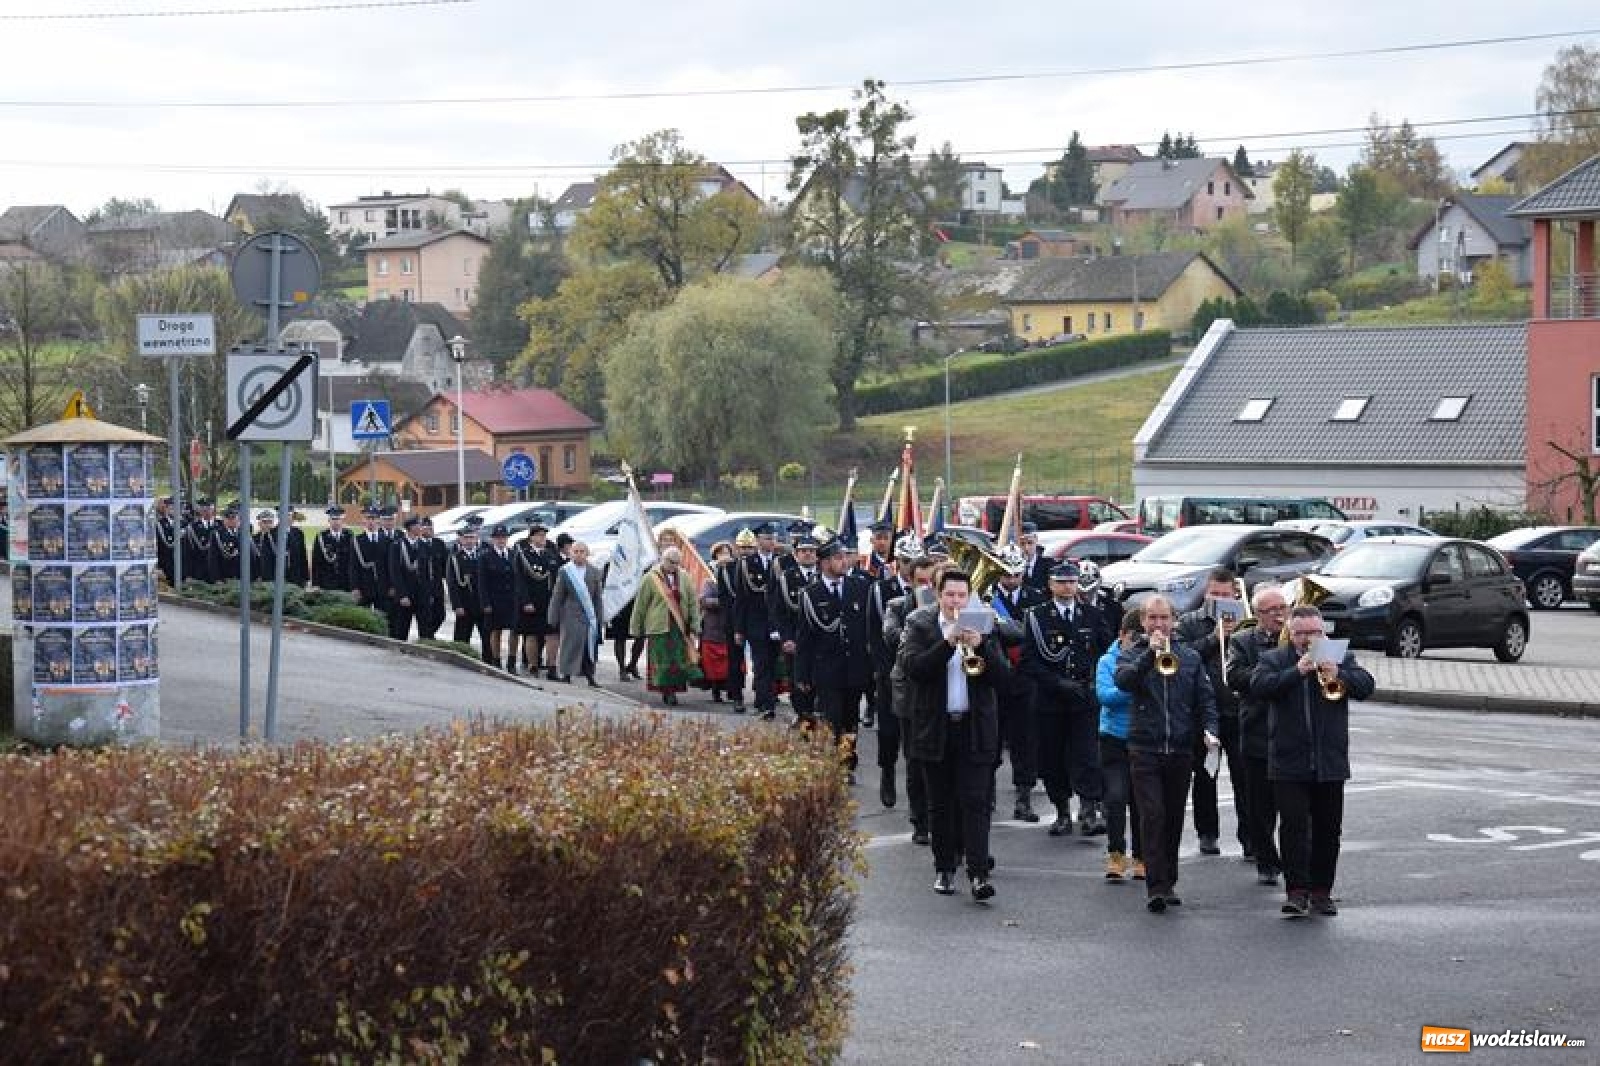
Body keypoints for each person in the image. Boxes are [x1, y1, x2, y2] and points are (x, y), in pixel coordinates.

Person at [1250, 604, 1375, 919]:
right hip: (1288, 760)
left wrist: (1340, 674)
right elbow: (1259, 686)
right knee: (1293, 828)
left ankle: (1321, 892)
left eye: (1314, 632)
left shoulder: (1339, 656)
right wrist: (1298, 671)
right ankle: (1296, 892)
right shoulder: (1273, 659)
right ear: (1290, 634)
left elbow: (1366, 686)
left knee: (1328, 829)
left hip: (1329, 760)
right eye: (1301, 633)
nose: (1308, 639)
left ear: (1324, 632)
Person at [899, 569, 1010, 902]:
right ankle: (944, 867)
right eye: (950, 595)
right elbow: (913, 667)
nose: (956, 602)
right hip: (936, 727)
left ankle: (978, 874)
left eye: (962, 596)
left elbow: (1005, 679)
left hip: (975, 729)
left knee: (976, 803)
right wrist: (947, 643)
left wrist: (983, 648)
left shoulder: (984, 624)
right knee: (941, 804)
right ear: (938, 595)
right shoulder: (921, 624)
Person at [1114, 594, 1219, 914]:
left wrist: (1211, 729)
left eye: (1164, 618)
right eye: (1152, 619)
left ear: (1174, 621)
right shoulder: (1131, 653)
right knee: (1152, 814)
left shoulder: (1190, 657)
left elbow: (1206, 699)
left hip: (1181, 748)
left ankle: (1168, 880)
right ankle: (1155, 886)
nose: (1159, 624)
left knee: (1173, 816)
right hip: (1144, 747)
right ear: (1143, 622)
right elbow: (1124, 682)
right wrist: (1151, 654)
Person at [1021, 561, 1110, 837]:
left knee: (1087, 756)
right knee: (1052, 758)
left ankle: (1089, 809)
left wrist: (1094, 681)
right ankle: (1061, 812)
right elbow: (1029, 662)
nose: (1067, 587)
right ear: (1050, 585)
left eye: (1071, 582)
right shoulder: (1037, 617)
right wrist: (1057, 682)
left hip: (1084, 697)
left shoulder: (1092, 615)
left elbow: (1106, 651)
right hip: (1051, 700)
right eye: (1061, 582)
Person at [1174, 568, 1248, 857]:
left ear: (1234, 595)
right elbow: (1182, 657)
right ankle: (1207, 834)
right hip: (1204, 713)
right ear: (1206, 593)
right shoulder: (1191, 622)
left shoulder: (1245, 622)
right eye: (1214, 594)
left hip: (1239, 711)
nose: (1219, 599)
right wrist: (1213, 638)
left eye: (1225, 595)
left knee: (1246, 780)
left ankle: (1250, 838)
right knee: (1206, 777)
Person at [794, 534, 873, 782]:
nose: (844, 562)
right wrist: (802, 673)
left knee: (851, 720)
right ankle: (834, 763)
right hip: (827, 669)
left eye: (845, 557)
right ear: (824, 563)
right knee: (832, 719)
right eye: (838, 558)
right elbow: (804, 638)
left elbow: (868, 630)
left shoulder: (859, 587)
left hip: (855, 668)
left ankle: (847, 762)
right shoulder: (811, 594)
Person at [1226, 583, 1289, 886]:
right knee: (1259, 804)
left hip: (1292, 734)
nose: (1279, 616)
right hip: (1257, 730)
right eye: (1272, 611)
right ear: (1258, 614)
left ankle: (1292, 860)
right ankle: (1265, 858)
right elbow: (1234, 677)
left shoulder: (1301, 639)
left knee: (1289, 804)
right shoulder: (1242, 640)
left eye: (1283, 609)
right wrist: (1273, 674)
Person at [884, 552, 940, 843]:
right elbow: (892, 637)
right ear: (910, 580)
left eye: (933, 582)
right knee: (916, 762)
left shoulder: (950, 607)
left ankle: (941, 818)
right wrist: (919, 616)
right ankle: (920, 821)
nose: (927, 587)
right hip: (911, 696)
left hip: (940, 695)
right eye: (922, 582)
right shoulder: (897, 606)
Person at [988, 548, 1045, 822]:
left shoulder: (1035, 598)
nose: (1012, 579)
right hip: (995, 678)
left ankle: (1024, 798)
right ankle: (987, 795)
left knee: (1026, 742)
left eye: (1017, 574)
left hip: (1023, 678)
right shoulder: (987, 598)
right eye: (1007, 574)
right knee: (990, 741)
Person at [1095, 607, 1146, 882]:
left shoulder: (1152, 656)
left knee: (1141, 801)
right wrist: (1135, 684)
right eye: (1134, 636)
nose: (1138, 642)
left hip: (1143, 738)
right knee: (1115, 798)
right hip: (1114, 738)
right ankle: (1116, 854)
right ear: (1122, 635)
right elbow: (1105, 696)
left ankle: (1141, 856)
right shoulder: (1107, 660)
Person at [868, 536, 917, 808]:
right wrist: (881, 671)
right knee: (888, 731)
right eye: (906, 561)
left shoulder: (928, 590)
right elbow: (873, 636)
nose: (910, 568)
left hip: (918, 670)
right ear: (896, 562)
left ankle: (916, 788)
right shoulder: (880, 589)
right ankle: (887, 772)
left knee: (914, 734)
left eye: (915, 562)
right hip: (890, 672)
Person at [630, 545, 702, 706]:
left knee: (677, 661)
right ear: (663, 560)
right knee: (662, 662)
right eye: (671, 562)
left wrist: (695, 624)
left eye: (677, 563)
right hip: (659, 627)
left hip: (679, 627)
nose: (674, 566)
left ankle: (674, 690)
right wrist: (636, 627)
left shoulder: (685, 577)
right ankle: (666, 691)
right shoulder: (651, 578)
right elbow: (641, 604)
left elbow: (692, 603)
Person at [730, 523, 782, 719]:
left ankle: (764, 699)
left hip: (776, 623)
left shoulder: (780, 562)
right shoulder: (746, 564)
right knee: (761, 664)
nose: (770, 542)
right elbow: (741, 599)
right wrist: (738, 629)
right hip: (755, 622)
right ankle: (766, 705)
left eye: (773, 538)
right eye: (767, 538)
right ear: (758, 540)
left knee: (772, 662)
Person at [769, 530, 820, 723]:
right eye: (803, 551)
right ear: (796, 555)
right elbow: (779, 611)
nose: (808, 554)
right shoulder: (787, 578)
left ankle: (814, 713)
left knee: (817, 678)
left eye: (811, 551)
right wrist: (786, 637)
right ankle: (802, 715)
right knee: (797, 678)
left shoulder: (823, 577)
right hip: (795, 637)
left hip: (818, 639)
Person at [548, 540, 603, 686]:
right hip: (570, 614)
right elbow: (558, 595)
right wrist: (552, 616)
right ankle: (566, 674)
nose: (579, 555)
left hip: (589, 615)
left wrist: (599, 617)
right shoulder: (565, 571)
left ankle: (590, 675)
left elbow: (598, 597)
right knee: (569, 645)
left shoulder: (595, 571)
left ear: (587, 554)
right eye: (575, 552)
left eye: (582, 552)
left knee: (589, 646)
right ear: (571, 553)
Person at [513, 523, 563, 678]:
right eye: (539, 535)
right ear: (532, 537)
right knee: (532, 634)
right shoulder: (523, 555)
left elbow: (558, 578)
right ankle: (533, 665)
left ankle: (552, 667)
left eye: (544, 535)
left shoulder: (550, 555)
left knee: (552, 634)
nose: (542, 538)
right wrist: (526, 601)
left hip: (549, 600)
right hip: (532, 601)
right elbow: (520, 581)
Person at [698, 541, 736, 704]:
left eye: (727, 553)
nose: (724, 556)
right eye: (721, 553)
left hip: (732, 625)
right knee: (713, 661)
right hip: (714, 626)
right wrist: (724, 602)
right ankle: (715, 690)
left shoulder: (736, 574)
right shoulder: (710, 579)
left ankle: (730, 688)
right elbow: (705, 600)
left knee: (731, 660)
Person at [386, 515, 435, 642]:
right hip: (405, 594)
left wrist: (429, 592)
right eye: (418, 525)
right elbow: (395, 572)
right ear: (410, 528)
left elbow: (428, 572)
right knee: (401, 629)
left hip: (422, 594)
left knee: (425, 630)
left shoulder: (424, 546)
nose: (421, 528)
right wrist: (402, 594)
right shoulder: (397, 546)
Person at [478, 524, 518, 670]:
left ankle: (512, 662)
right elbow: (482, 583)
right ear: (493, 539)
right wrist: (485, 603)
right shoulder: (485, 556)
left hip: (512, 600)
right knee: (496, 631)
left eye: (504, 537)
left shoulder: (514, 554)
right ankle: (496, 661)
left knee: (515, 631)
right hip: (494, 600)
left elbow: (518, 579)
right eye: (498, 538)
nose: (501, 540)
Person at [446, 524, 485, 648]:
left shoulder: (483, 556)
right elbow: (452, 584)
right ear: (461, 540)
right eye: (466, 538)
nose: (469, 541)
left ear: (476, 538)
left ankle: (489, 662)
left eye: (472, 537)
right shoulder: (455, 558)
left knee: (487, 638)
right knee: (461, 639)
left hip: (481, 604)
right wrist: (457, 605)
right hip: (464, 604)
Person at [415, 518, 447, 639]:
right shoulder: (417, 544)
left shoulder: (439, 543)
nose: (428, 530)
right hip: (422, 587)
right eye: (424, 528)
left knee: (440, 616)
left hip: (437, 586)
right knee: (424, 616)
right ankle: (425, 638)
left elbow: (445, 565)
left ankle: (429, 635)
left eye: (430, 528)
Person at [347, 506, 385, 610]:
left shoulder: (386, 540)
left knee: (384, 620)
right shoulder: (357, 541)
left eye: (373, 518)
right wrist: (355, 587)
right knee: (364, 622)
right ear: (363, 520)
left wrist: (392, 586)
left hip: (383, 588)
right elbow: (353, 566)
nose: (371, 521)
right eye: (368, 518)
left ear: (378, 520)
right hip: (363, 587)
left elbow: (390, 566)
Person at [311, 505, 353, 591]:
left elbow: (353, 561)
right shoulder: (321, 537)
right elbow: (316, 562)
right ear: (329, 520)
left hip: (346, 582)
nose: (336, 522)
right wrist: (315, 584)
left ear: (342, 520)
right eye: (333, 519)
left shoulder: (349, 535)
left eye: (338, 519)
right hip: (327, 583)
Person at [182, 498, 218, 583]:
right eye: (204, 510)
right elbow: (187, 551)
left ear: (213, 510)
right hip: (199, 569)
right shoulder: (192, 527)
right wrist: (188, 573)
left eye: (209, 509)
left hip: (218, 570)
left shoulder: (220, 525)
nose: (207, 512)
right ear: (200, 511)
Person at [208, 503, 243, 583]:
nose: (231, 520)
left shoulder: (244, 533)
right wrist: (216, 578)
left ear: (238, 519)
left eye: (233, 518)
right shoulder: (217, 535)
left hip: (242, 576)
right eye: (228, 518)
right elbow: (213, 559)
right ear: (224, 520)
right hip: (224, 577)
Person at [1018, 523, 1052, 592]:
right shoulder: (1012, 564)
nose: (1026, 548)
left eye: (1030, 543)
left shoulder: (1048, 564)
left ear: (1036, 540)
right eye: (1022, 544)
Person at [153, 496, 177, 586]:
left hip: (176, 560)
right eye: (167, 506)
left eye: (171, 506)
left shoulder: (179, 521)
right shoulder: (159, 523)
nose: (170, 509)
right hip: (165, 560)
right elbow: (166, 543)